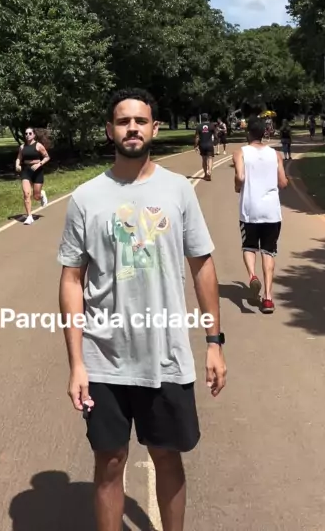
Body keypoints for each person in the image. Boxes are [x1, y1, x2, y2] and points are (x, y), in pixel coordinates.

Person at [58, 89, 226, 531]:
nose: (131, 128)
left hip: (166, 356)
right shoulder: (86, 198)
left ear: (154, 128)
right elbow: (71, 279)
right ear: (109, 130)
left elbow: (202, 265)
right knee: (110, 461)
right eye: (122, 121)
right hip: (104, 360)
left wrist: (214, 342)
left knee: (167, 457)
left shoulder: (178, 190)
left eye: (140, 121)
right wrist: (77, 363)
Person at [233, 116, 288, 315]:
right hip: (271, 211)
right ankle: (268, 298)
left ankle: (252, 276)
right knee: (268, 251)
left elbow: (240, 177)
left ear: (247, 133)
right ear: (264, 133)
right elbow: (283, 183)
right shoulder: (276, 155)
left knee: (249, 246)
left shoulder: (240, 152)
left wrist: (237, 186)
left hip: (250, 210)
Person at [15, 127, 50, 225]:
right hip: (26, 171)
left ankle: (41, 194)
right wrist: (17, 165)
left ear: (34, 135)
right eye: (26, 133)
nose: (28, 135)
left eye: (30, 133)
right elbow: (19, 158)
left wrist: (39, 164)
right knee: (26, 194)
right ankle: (29, 217)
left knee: (36, 196)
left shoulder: (38, 146)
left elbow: (47, 157)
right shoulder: (22, 147)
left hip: (37, 171)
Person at [194, 113, 215, 181]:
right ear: (207, 118)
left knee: (204, 159)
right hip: (210, 144)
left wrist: (195, 145)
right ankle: (209, 172)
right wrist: (215, 141)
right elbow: (215, 134)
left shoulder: (199, 126)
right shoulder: (212, 126)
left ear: (202, 118)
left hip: (202, 145)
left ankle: (205, 174)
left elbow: (197, 137)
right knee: (210, 158)